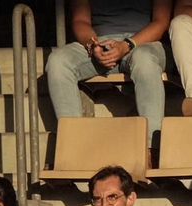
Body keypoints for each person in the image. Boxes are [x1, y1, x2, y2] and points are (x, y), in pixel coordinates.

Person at [48, 0, 171, 146]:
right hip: (101, 42)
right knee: (58, 61)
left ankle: (152, 149)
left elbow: (161, 22)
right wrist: (93, 45)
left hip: (145, 43)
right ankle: (72, 147)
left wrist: (127, 45)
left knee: (144, 59)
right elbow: (80, 20)